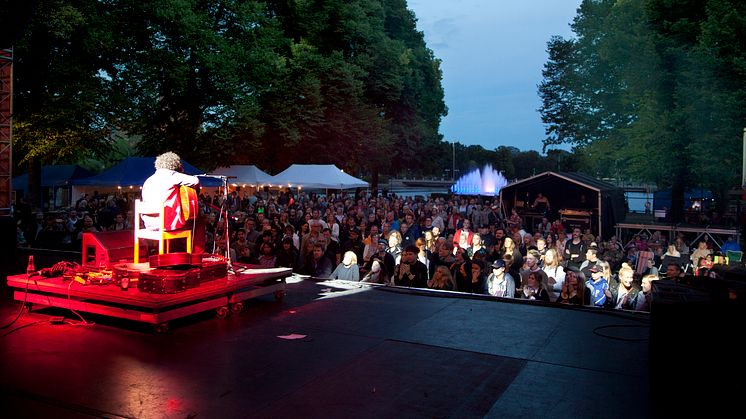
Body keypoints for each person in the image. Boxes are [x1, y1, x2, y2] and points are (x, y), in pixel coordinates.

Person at [141, 151, 200, 231]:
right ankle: (184, 243)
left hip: (149, 224)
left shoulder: (149, 180)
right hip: (166, 224)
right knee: (195, 223)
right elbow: (195, 181)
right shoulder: (172, 175)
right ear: (175, 164)